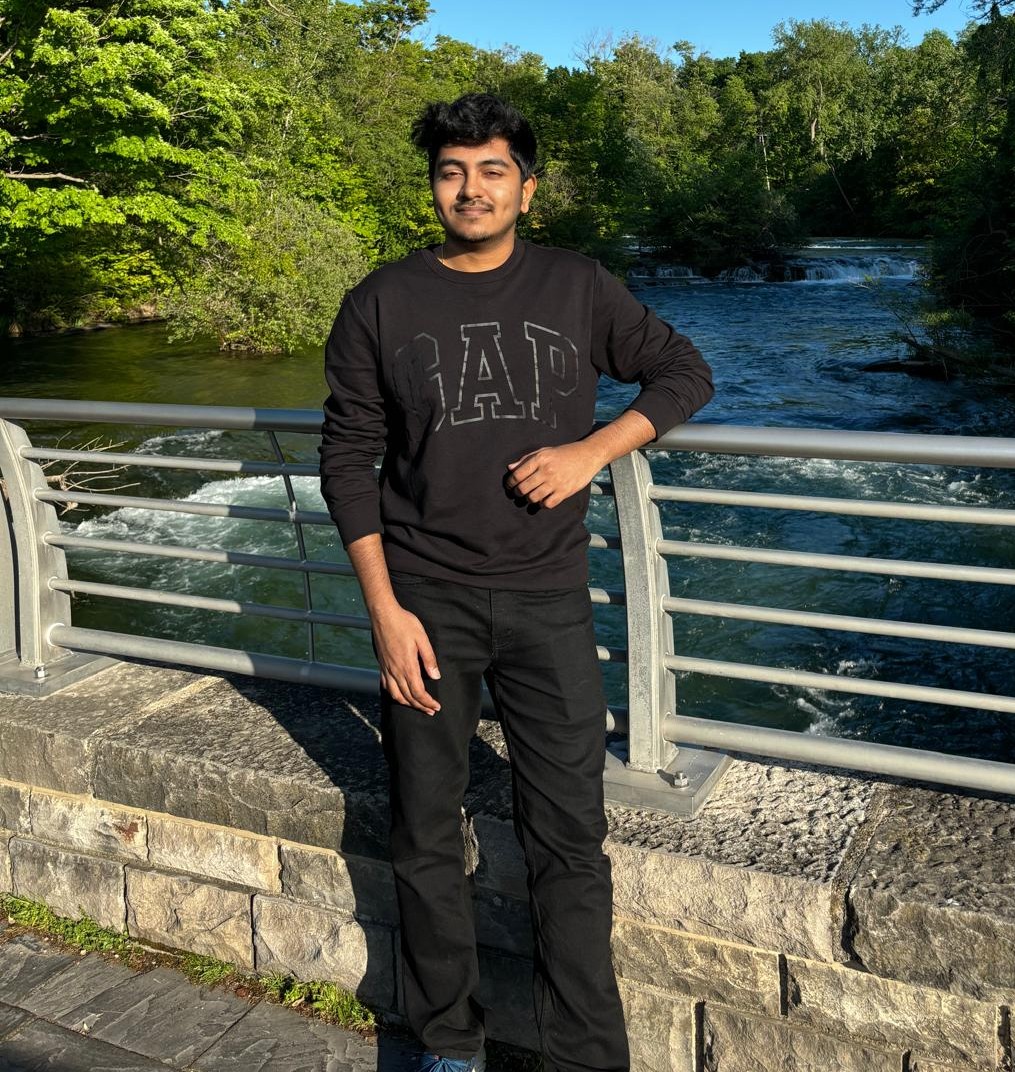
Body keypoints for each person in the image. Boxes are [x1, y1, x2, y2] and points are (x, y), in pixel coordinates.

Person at [319, 92, 713, 1072]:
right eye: (452, 171)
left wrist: (593, 451)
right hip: (425, 603)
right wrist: (383, 613)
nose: (471, 189)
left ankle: (583, 1057)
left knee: (568, 840)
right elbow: (347, 460)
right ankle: (447, 1046)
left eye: (492, 171)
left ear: (526, 190)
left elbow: (682, 372)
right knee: (422, 831)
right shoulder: (381, 301)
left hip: (549, 603)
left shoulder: (577, 286)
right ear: (432, 187)